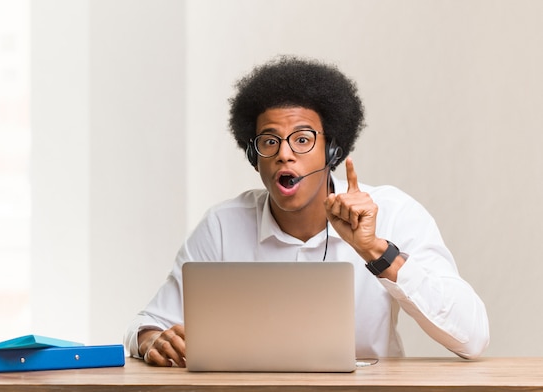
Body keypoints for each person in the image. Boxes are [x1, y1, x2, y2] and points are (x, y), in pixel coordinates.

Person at [125, 55, 490, 367]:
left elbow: (472, 338)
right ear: (255, 158)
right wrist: (152, 341)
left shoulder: (393, 212)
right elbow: (147, 324)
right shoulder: (222, 225)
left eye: (302, 139)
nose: (285, 153)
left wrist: (375, 251)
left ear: (332, 152)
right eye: (270, 141)